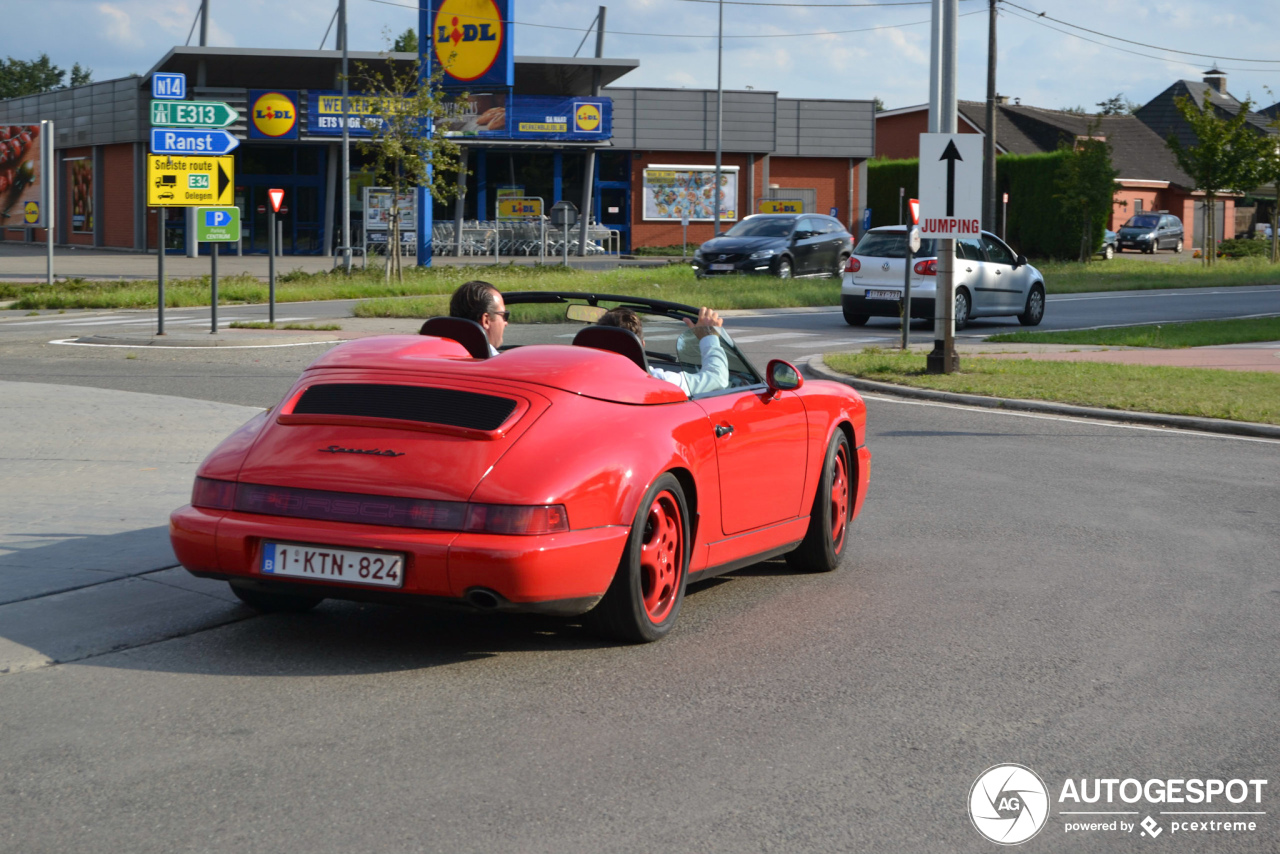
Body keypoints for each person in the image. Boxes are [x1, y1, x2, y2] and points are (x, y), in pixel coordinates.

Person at [597, 306, 729, 396]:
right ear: (641, 345)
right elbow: (717, 379)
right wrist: (708, 336)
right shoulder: (657, 381)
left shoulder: (579, 378)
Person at [448, 280, 507, 356]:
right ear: (486, 320)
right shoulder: (501, 363)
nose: (505, 323)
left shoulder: (441, 356)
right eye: (504, 315)